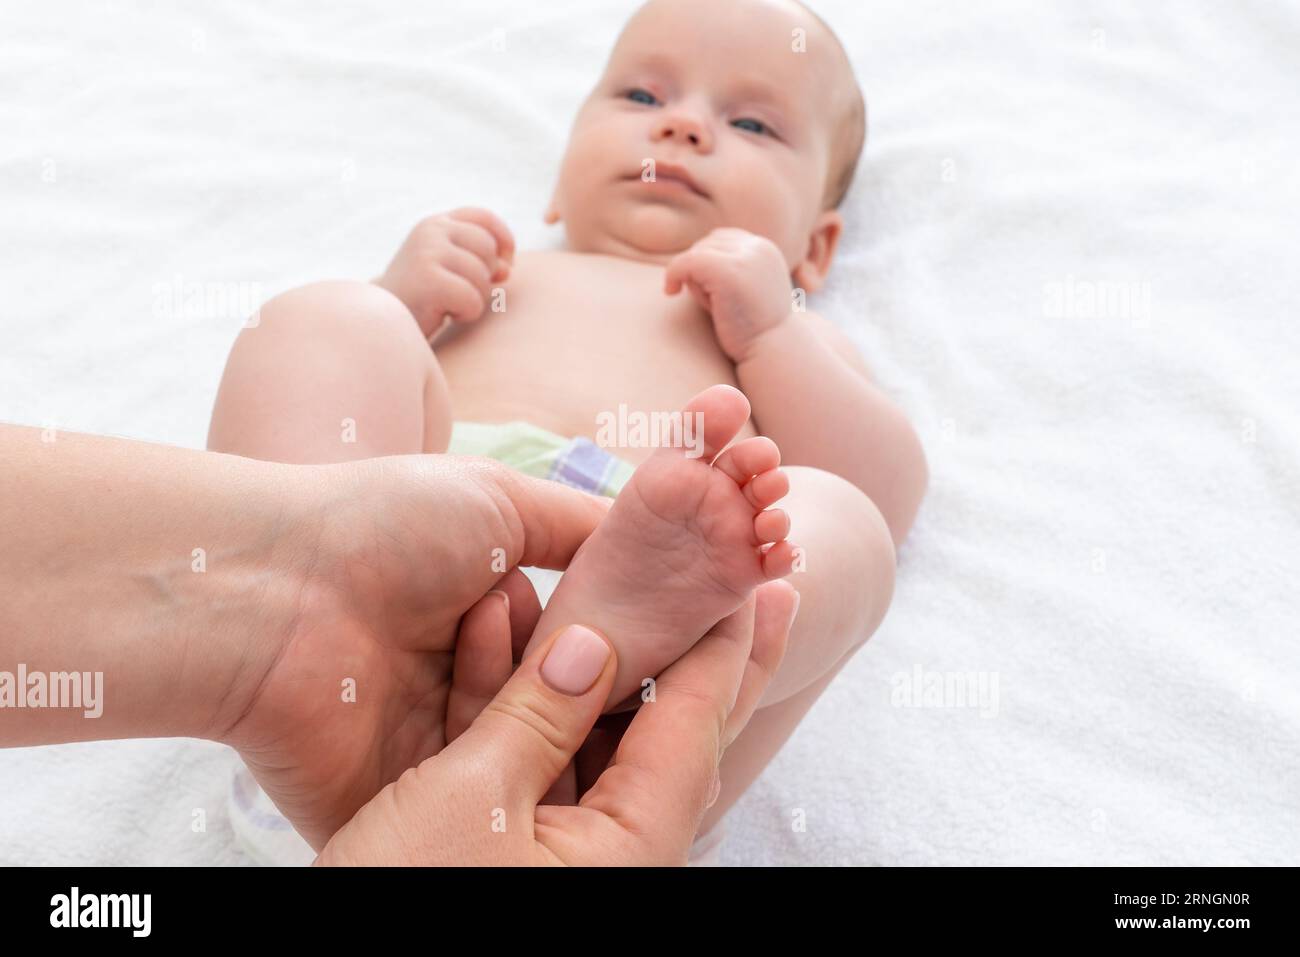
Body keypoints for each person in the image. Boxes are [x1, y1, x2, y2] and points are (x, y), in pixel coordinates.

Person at [0, 423, 796, 865]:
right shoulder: (513, 275)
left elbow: (887, 467)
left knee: (833, 524)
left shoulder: (782, 338)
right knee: (336, 317)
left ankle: (644, 637)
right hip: (448, 565)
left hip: (443, 755)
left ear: (820, 239)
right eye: (640, 108)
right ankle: (612, 641)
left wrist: (775, 334)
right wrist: (408, 296)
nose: (684, 129)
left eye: (756, 127)